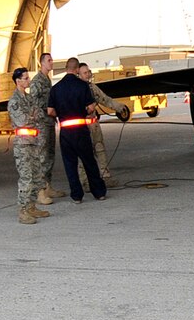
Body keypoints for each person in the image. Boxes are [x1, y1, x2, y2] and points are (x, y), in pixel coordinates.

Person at [47, 63, 108, 202]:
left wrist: (62, 114)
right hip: (80, 130)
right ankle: (99, 192)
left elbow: (50, 111)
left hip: (65, 132)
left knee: (70, 165)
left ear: (66, 69)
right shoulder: (82, 85)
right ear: (76, 70)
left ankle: (76, 196)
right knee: (89, 162)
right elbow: (91, 107)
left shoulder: (56, 88)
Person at [6, 68, 51, 224]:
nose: (28, 81)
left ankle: (31, 206)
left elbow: (39, 114)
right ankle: (23, 211)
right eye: (25, 78)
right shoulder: (14, 101)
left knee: (37, 175)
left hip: (34, 142)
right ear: (18, 81)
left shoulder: (29, 98)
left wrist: (32, 114)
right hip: (23, 144)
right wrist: (32, 114)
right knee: (26, 178)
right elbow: (22, 120)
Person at [78, 64, 132, 187]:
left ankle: (106, 177)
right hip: (82, 127)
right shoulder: (75, 89)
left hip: (94, 125)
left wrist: (119, 107)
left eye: (88, 72)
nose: (88, 75)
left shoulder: (92, 88)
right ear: (78, 74)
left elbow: (105, 99)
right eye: (85, 73)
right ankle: (85, 182)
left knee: (100, 150)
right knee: (83, 154)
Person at [27, 52, 56, 206]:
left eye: (52, 60)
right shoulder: (37, 81)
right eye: (49, 60)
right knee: (42, 156)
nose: (52, 62)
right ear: (42, 63)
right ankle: (40, 192)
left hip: (49, 121)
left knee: (50, 154)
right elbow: (33, 102)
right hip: (41, 123)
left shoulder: (47, 80)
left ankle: (48, 186)